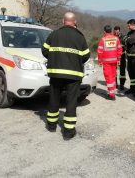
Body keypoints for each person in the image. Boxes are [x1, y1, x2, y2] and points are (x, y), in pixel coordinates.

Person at [42, 12, 90, 140]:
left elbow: (44, 50)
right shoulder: (80, 37)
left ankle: (51, 125)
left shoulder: (54, 34)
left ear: (63, 21)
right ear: (74, 22)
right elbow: (86, 55)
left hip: (56, 73)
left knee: (54, 98)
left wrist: (55, 58)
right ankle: (68, 131)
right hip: (73, 75)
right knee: (71, 101)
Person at [97, 25, 122, 100]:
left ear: (104, 31)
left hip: (106, 62)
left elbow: (100, 51)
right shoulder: (116, 39)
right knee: (113, 76)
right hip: (114, 61)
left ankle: (111, 94)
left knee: (108, 77)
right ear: (111, 31)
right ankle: (112, 91)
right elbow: (119, 50)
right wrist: (118, 60)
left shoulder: (103, 39)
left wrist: (100, 61)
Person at [113, 25, 127, 90]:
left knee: (122, 71)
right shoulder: (112, 37)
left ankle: (122, 84)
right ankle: (115, 83)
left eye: (117, 31)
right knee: (114, 70)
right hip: (114, 56)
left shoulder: (123, 37)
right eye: (115, 31)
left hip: (122, 56)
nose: (116, 32)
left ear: (119, 31)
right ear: (114, 31)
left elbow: (126, 45)